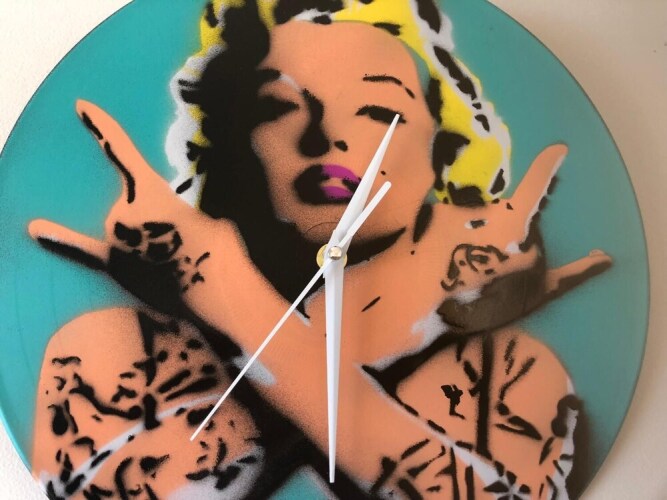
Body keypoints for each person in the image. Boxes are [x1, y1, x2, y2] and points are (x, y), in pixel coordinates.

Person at [29, 1, 612, 498]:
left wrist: (236, 302)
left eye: (380, 112)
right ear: (228, 146)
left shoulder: (505, 374)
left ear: (445, 151)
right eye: (277, 108)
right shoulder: (119, 357)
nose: (326, 135)